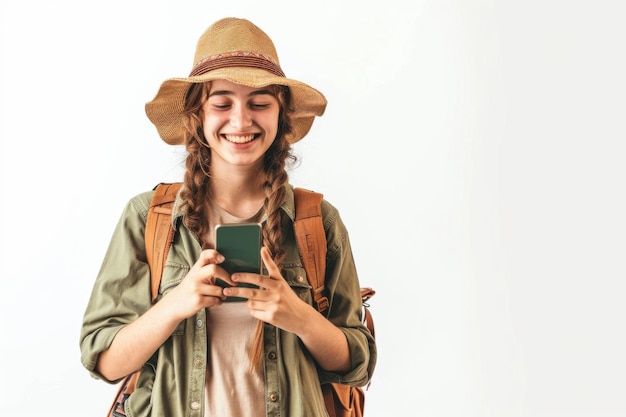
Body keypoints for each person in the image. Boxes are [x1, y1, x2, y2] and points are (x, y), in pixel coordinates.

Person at [79, 17, 376, 417]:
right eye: (222, 103)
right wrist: (176, 303)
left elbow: (357, 364)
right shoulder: (148, 219)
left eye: (259, 103)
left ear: (280, 115)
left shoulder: (315, 221)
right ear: (196, 115)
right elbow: (104, 361)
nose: (240, 121)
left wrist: (299, 315)